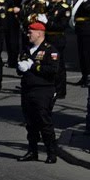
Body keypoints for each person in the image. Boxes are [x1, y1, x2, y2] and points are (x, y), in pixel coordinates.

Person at [16, 20, 60, 163]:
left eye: (31, 32)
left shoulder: (50, 50)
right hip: (27, 90)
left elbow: (53, 70)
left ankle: (51, 153)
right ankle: (32, 151)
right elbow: (20, 69)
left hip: (43, 90)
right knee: (30, 123)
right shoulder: (26, 49)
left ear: (40, 33)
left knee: (44, 122)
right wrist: (21, 67)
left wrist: (33, 66)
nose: (28, 34)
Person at [43, 0, 71, 99]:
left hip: (57, 38)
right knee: (48, 63)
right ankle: (50, 86)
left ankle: (60, 91)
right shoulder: (51, 7)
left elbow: (61, 26)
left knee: (58, 65)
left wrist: (47, 22)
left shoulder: (64, 8)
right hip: (48, 38)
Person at [71, 0, 90, 85]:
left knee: (88, 54)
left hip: (88, 28)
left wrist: (87, 5)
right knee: (81, 54)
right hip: (80, 28)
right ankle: (84, 76)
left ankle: (89, 77)